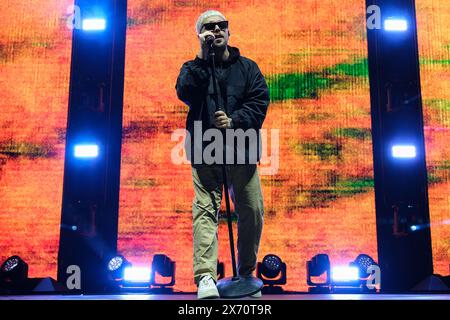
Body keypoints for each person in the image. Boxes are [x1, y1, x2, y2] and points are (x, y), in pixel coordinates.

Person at [175, 10, 270, 299]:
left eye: (221, 26)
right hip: (206, 150)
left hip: (241, 149)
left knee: (252, 210)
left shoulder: (248, 67)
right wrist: (203, 57)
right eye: (208, 27)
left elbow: (260, 100)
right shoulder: (193, 68)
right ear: (200, 35)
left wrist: (235, 120)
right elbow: (185, 92)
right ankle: (205, 277)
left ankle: (246, 275)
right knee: (205, 210)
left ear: (229, 32)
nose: (216, 30)